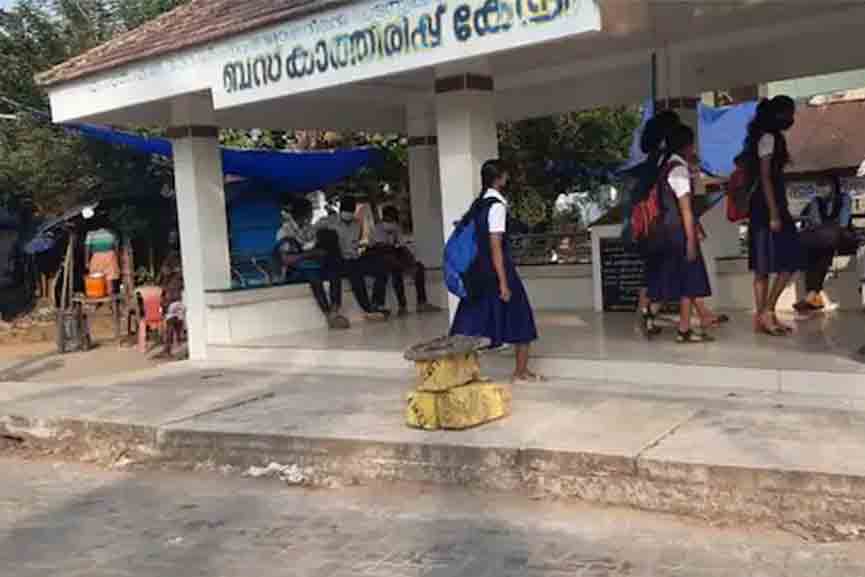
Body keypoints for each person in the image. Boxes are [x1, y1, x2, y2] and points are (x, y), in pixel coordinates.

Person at [450, 159, 541, 384]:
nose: (507, 178)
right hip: (497, 269)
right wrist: (503, 281)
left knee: (470, 323)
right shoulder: (497, 206)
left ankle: (457, 372)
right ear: (499, 178)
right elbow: (496, 246)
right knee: (521, 318)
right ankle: (520, 373)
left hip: (477, 272)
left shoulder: (479, 204)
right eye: (505, 175)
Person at [647, 123, 714, 343]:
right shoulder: (679, 170)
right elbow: (685, 209)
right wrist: (691, 241)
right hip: (679, 232)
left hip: (667, 231)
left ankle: (658, 313)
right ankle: (683, 329)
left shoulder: (665, 166)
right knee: (688, 280)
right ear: (687, 145)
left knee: (679, 278)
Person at [743, 95, 802, 336]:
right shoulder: (769, 138)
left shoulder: (762, 137)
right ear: (779, 114)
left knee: (763, 265)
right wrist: (775, 213)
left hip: (761, 208)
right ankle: (767, 311)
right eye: (789, 113)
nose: (791, 118)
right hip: (769, 208)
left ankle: (764, 317)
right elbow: (766, 177)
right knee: (788, 260)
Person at [274, 198, 350, 329]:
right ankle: (328, 315)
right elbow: (286, 260)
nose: (312, 216)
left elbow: (314, 245)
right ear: (304, 214)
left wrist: (317, 250)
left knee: (333, 268)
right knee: (313, 274)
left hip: (311, 263)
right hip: (293, 271)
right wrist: (311, 254)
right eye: (310, 213)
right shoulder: (284, 231)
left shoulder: (308, 228)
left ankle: (335, 310)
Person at [315, 196, 390, 321]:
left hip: (354, 257)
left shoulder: (357, 224)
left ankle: (377, 303)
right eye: (346, 210)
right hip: (337, 260)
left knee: (381, 268)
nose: (349, 214)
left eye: (351, 211)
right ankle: (368, 309)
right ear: (341, 210)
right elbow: (314, 233)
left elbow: (356, 243)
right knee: (355, 274)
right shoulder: (329, 221)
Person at [794, 183, 857, 313]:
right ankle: (813, 297)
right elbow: (816, 221)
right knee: (816, 248)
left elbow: (843, 223)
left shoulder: (844, 198)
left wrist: (827, 229)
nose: (821, 188)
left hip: (842, 235)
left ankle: (812, 296)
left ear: (834, 186)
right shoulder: (816, 201)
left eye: (824, 184)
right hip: (824, 236)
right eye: (820, 185)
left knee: (825, 243)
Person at [368, 205, 441, 316]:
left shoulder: (396, 228)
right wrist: (400, 258)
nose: (391, 221)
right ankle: (401, 306)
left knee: (418, 267)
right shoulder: (377, 229)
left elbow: (401, 246)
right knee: (395, 268)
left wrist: (411, 262)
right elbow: (382, 247)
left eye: (393, 219)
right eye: (389, 219)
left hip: (394, 257)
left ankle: (422, 303)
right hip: (379, 258)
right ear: (384, 218)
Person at [84, 222, 120, 294]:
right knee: (109, 279)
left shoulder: (91, 233)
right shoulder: (113, 233)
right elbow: (116, 247)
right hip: (110, 256)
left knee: (96, 279)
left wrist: (86, 261)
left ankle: (100, 299)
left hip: (97, 257)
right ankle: (109, 302)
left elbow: (87, 248)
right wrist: (116, 259)